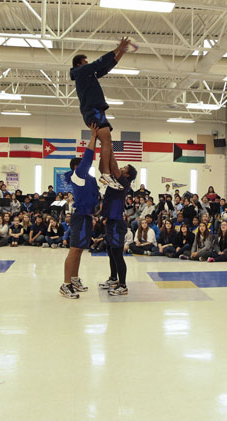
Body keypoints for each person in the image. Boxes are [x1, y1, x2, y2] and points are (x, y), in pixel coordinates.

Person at [70, 37, 132, 190]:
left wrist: (122, 52)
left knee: (107, 143)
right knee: (106, 140)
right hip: (92, 110)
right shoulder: (81, 71)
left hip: (96, 110)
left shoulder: (88, 75)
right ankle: (105, 174)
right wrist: (118, 48)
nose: (87, 63)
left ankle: (104, 171)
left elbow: (106, 68)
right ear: (79, 63)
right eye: (85, 61)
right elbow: (99, 62)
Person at [60, 124, 100, 299]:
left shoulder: (89, 179)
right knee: (74, 249)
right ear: (77, 167)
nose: (87, 166)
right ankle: (65, 284)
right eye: (83, 165)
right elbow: (89, 157)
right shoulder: (78, 175)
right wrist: (93, 137)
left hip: (86, 216)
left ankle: (74, 279)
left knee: (79, 250)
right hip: (79, 216)